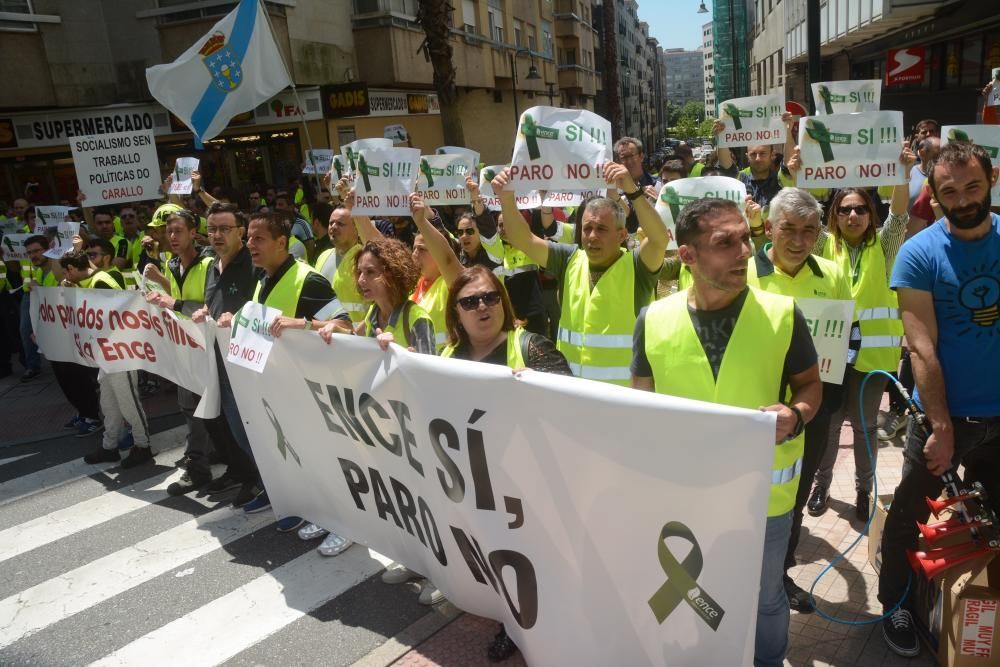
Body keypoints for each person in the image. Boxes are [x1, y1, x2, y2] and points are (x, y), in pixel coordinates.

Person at [631, 197, 822, 667]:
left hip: (764, 496)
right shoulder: (652, 321)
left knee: (764, 597)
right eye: (725, 243)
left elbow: (810, 386)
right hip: (683, 495)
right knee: (687, 591)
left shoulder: (782, 314)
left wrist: (795, 415)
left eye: (745, 238)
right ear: (688, 255)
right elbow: (639, 409)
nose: (744, 251)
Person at [878, 141, 1000, 658]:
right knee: (909, 514)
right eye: (949, 190)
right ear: (935, 193)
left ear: (990, 180)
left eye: (973, 186)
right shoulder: (918, 252)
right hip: (947, 417)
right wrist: (942, 426)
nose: (963, 198)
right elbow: (921, 345)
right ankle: (896, 606)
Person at [441, 265, 571, 661]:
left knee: (537, 563)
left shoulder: (532, 347)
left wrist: (536, 388)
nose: (483, 306)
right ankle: (511, 625)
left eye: (491, 297)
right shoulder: (448, 356)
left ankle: (552, 632)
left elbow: (572, 407)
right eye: (470, 301)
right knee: (498, 561)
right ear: (456, 314)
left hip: (530, 484)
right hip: (479, 484)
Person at [746, 189, 852, 612]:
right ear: (769, 228)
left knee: (792, 493)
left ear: (819, 235)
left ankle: (779, 573)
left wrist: (825, 405)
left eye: (809, 231)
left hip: (809, 412)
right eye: (788, 228)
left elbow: (846, 338)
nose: (797, 239)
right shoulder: (743, 272)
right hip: (748, 408)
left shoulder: (833, 274)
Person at [317, 236, 439, 593]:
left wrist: (400, 353)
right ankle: (417, 561)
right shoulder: (372, 316)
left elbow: (429, 380)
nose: (361, 281)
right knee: (403, 502)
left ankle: (440, 575)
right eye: (360, 273)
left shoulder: (418, 318)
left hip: (414, 431)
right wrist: (329, 330)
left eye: (371, 273)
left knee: (425, 503)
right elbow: (353, 346)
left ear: (393, 273)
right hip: (386, 428)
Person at [805, 141, 917, 522]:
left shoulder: (884, 247)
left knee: (866, 428)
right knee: (831, 425)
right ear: (834, 216)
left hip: (871, 358)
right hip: (832, 353)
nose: (853, 215)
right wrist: (800, 167)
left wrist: (903, 171)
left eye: (860, 209)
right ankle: (821, 485)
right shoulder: (822, 245)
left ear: (870, 214)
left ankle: (863, 489)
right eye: (844, 209)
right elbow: (807, 215)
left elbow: (899, 216)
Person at [223, 211, 350, 533]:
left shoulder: (308, 280)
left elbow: (346, 326)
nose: (250, 244)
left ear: (283, 242)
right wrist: (233, 321)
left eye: (259, 238)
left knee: (310, 453)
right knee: (281, 448)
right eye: (249, 238)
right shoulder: (263, 277)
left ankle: (326, 513)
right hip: (273, 388)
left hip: (304, 389)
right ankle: (287, 496)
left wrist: (303, 324)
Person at [493, 161, 668, 385]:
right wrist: (506, 198)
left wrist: (633, 192)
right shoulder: (568, 259)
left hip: (624, 399)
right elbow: (522, 239)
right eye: (587, 228)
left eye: (601, 229)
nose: (592, 236)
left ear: (622, 234)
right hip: (573, 394)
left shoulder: (637, 266)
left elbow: (659, 239)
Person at [190, 202, 264, 509]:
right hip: (216, 362)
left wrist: (239, 317)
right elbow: (215, 303)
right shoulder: (211, 265)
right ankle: (243, 473)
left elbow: (262, 310)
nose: (216, 235)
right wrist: (205, 311)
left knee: (247, 427)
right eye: (212, 229)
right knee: (222, 425)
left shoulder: (253, 266)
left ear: (241, 232)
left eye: (224, 229)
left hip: (246, 367)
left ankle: (262, 481)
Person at [144, 208, 217, 496]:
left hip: (208, 350)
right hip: (184, 350)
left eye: (178, 231)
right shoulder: (173, 265)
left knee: (204, 410)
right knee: (190, 409)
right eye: (169, 232)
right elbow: (177, 302)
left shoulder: (209, 264)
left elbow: (207, 308)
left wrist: (170, 302)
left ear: (193, 234)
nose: (172, 236)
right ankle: (207, 460)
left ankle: (198, 468)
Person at [59, 250, 155, 468]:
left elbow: (113, 315)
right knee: (109, 403)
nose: (65, 276)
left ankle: (143, 445)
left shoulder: (100, 282)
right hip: (107, 353)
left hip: (121, 352)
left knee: (128, 401)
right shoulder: (91, 281)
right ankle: (109, 446)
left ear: (73, 269)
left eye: (66, 272)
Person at [312, 199, 367, 326]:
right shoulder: (323, 256)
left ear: (356, 228)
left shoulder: (365, 259)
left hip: (356, 338)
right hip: (324, 334)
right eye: (331, 223)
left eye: (340, 224)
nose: (333, 227)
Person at [614, 136, 658, 234]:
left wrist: (659, 201)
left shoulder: (658, 185)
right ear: (618, 161)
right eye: (624, 158)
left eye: (632, 156)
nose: (629, 161)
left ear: (641, 156)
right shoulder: (613, 192)